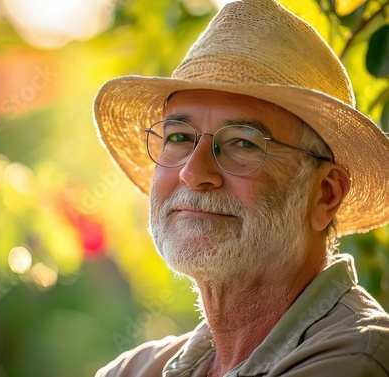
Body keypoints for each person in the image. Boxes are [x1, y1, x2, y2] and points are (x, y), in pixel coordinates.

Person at [93, 0, 389, 375]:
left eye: (243, 143)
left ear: (325, 194)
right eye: (180, 136)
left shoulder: (357, 356)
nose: (193, 172)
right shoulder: (136, 368)